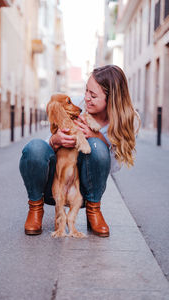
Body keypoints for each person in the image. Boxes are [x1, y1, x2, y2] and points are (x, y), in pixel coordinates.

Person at [19, 65, 140, 237]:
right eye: (86, 91)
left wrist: (97, 137)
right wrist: (55, 140)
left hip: (85, 189)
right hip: (56, 183)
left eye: (93, 95)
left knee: (97, 148)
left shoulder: (127, 121)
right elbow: (42, 152)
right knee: (34, 147)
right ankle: (35, 208)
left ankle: (94, 211)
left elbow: (112, 167)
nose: (86, 98)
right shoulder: (75, 105)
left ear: (111, 98)